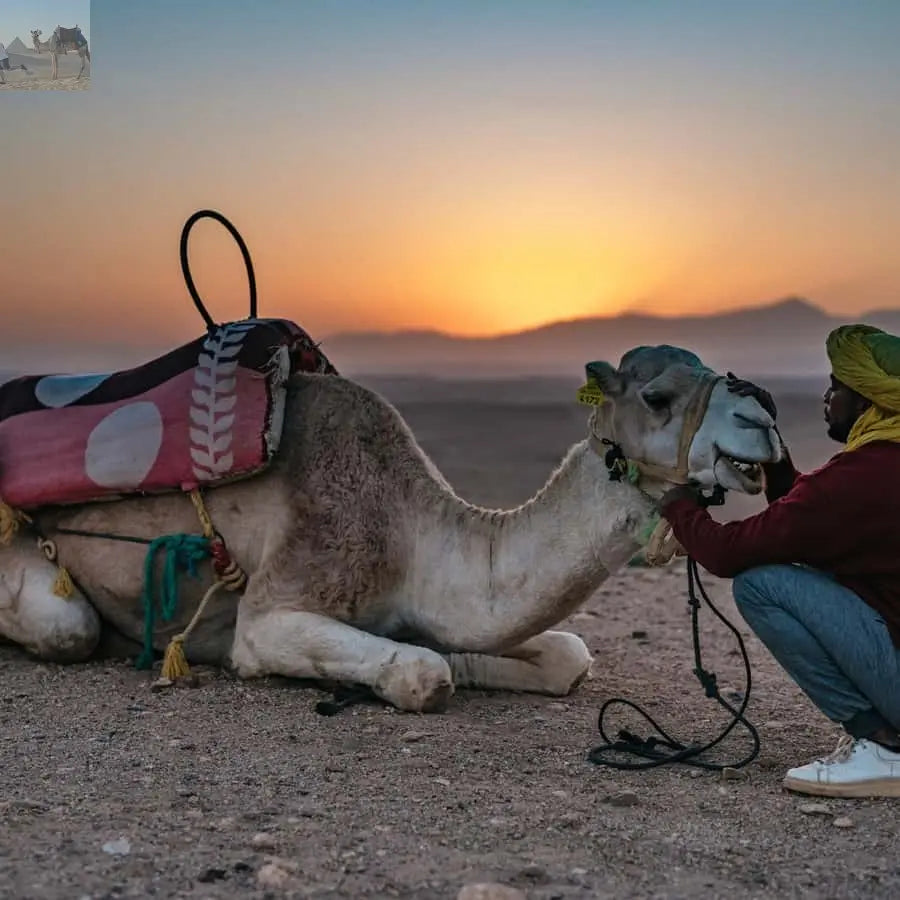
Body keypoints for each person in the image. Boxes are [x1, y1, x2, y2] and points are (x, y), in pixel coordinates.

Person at [660, 323, 900, 798]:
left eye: (836, 388)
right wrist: (773, 452)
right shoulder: (875, 471)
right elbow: (811, 522)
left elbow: (729, 553)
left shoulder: (860, 478)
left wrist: (679, 507)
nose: (826, 399)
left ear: (869, 400)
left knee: (761, 584)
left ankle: (883, 748)